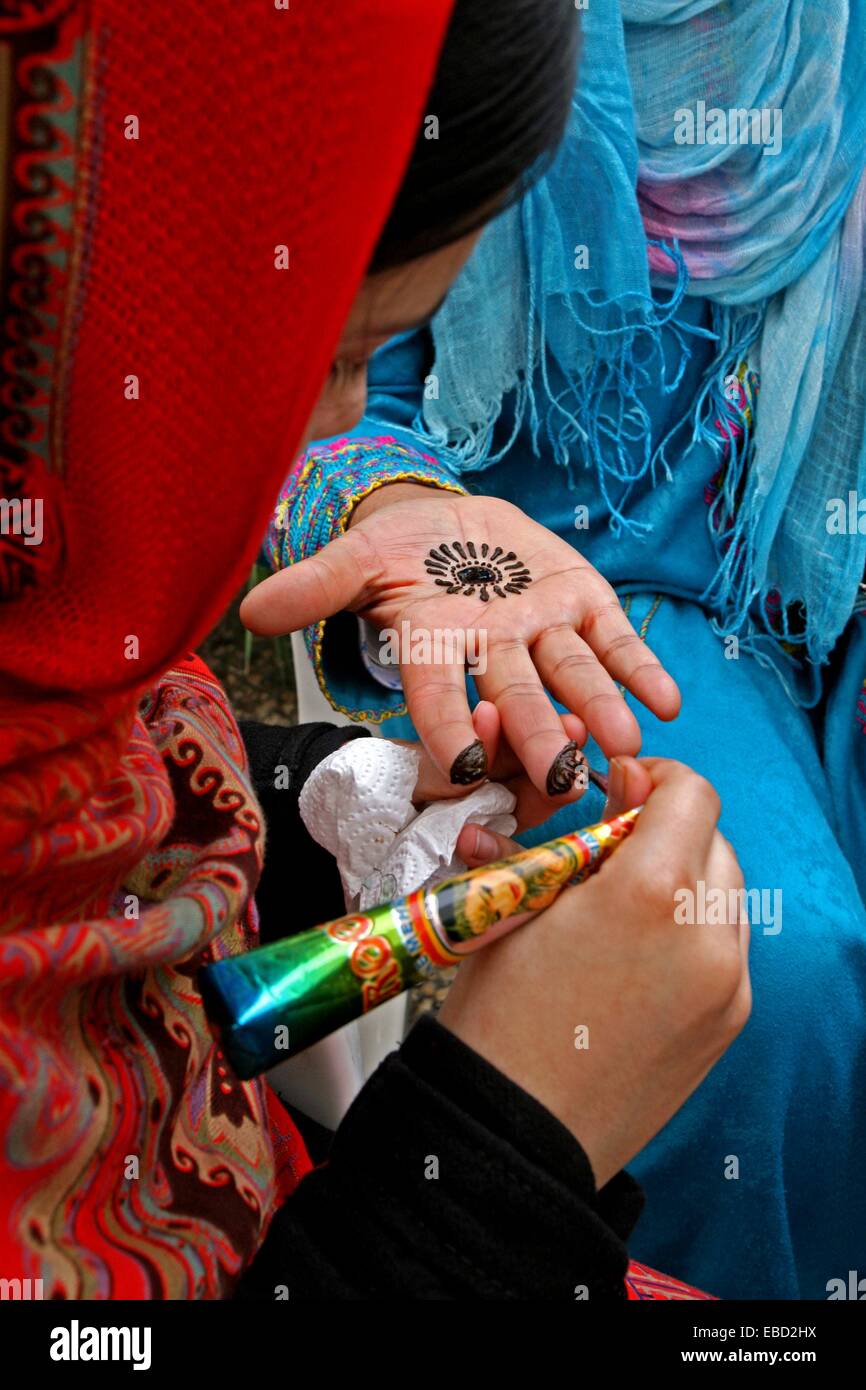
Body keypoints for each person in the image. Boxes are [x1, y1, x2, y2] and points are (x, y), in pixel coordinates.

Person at [0, 0, 748, 1301]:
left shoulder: (58, 619)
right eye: (327, 355)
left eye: (376, 355)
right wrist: (508, 1128)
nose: (328, 425)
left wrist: (332, 797)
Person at [241, 0, 866, 1299]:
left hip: (823, 586)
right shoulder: (464, 55)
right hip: (581, 614)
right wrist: (405, 511)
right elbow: (319, 406)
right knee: (771, 952)